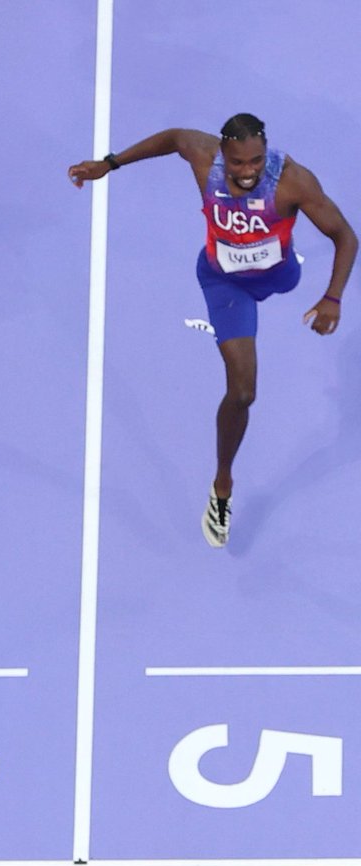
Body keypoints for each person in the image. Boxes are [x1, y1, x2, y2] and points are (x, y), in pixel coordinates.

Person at [68, 114, 357, 546]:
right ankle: (223, 485)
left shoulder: (293, 181)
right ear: (223, 154)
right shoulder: (203, 158)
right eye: (238, 162)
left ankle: (279, 274)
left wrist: (332, 297)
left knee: (287, 275)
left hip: (278, 274)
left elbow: (346, 237)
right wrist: (109, 164)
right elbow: (171, 137)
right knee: (243, 391)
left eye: (256, 162)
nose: (247, 172)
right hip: (225, 282)